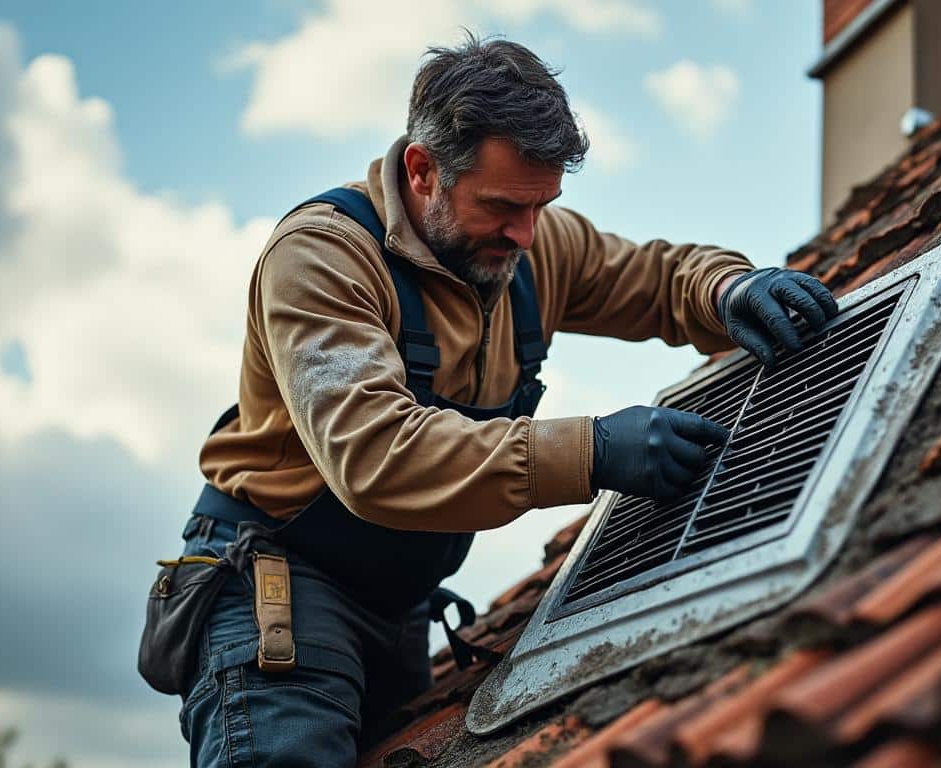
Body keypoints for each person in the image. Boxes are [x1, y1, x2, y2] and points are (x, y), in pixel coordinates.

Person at [167, 34, 837, 767]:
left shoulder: (529, 245)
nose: (525, 232)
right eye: (501, 206)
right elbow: (376, 455)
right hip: (280, 589)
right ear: (422, 171)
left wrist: (725, 288)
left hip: (400, 609)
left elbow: (654, 276)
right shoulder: (322, 260)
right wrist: (594, 451)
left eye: (542, 205)